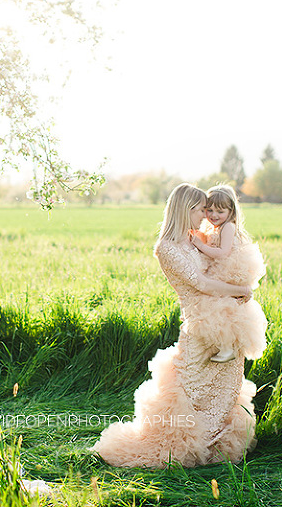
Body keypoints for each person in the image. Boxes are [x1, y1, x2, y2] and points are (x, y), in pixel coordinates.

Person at [91, 183, 259, 468]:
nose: (205, 214)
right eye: (199, 209)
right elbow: (201, 283)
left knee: (227, 384)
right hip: (199, 324)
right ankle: (189, 446)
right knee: (192, 387)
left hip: (220, 320)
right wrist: (237, 289)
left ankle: (213, 447)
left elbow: (222, 255)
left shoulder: (195, 238)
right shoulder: (167, 249)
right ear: (185, 210)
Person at [188, 185, 267, 363]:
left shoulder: (228, 227)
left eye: (220, 211)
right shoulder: (216, 227)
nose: (213, 215)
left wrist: (200, 246)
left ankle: (228, 346)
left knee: (219, 304)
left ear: (231, 211)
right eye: (209, 210)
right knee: (223, 305)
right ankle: (224, 345)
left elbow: (223, 252)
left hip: (230, 268)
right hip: (222, 265)